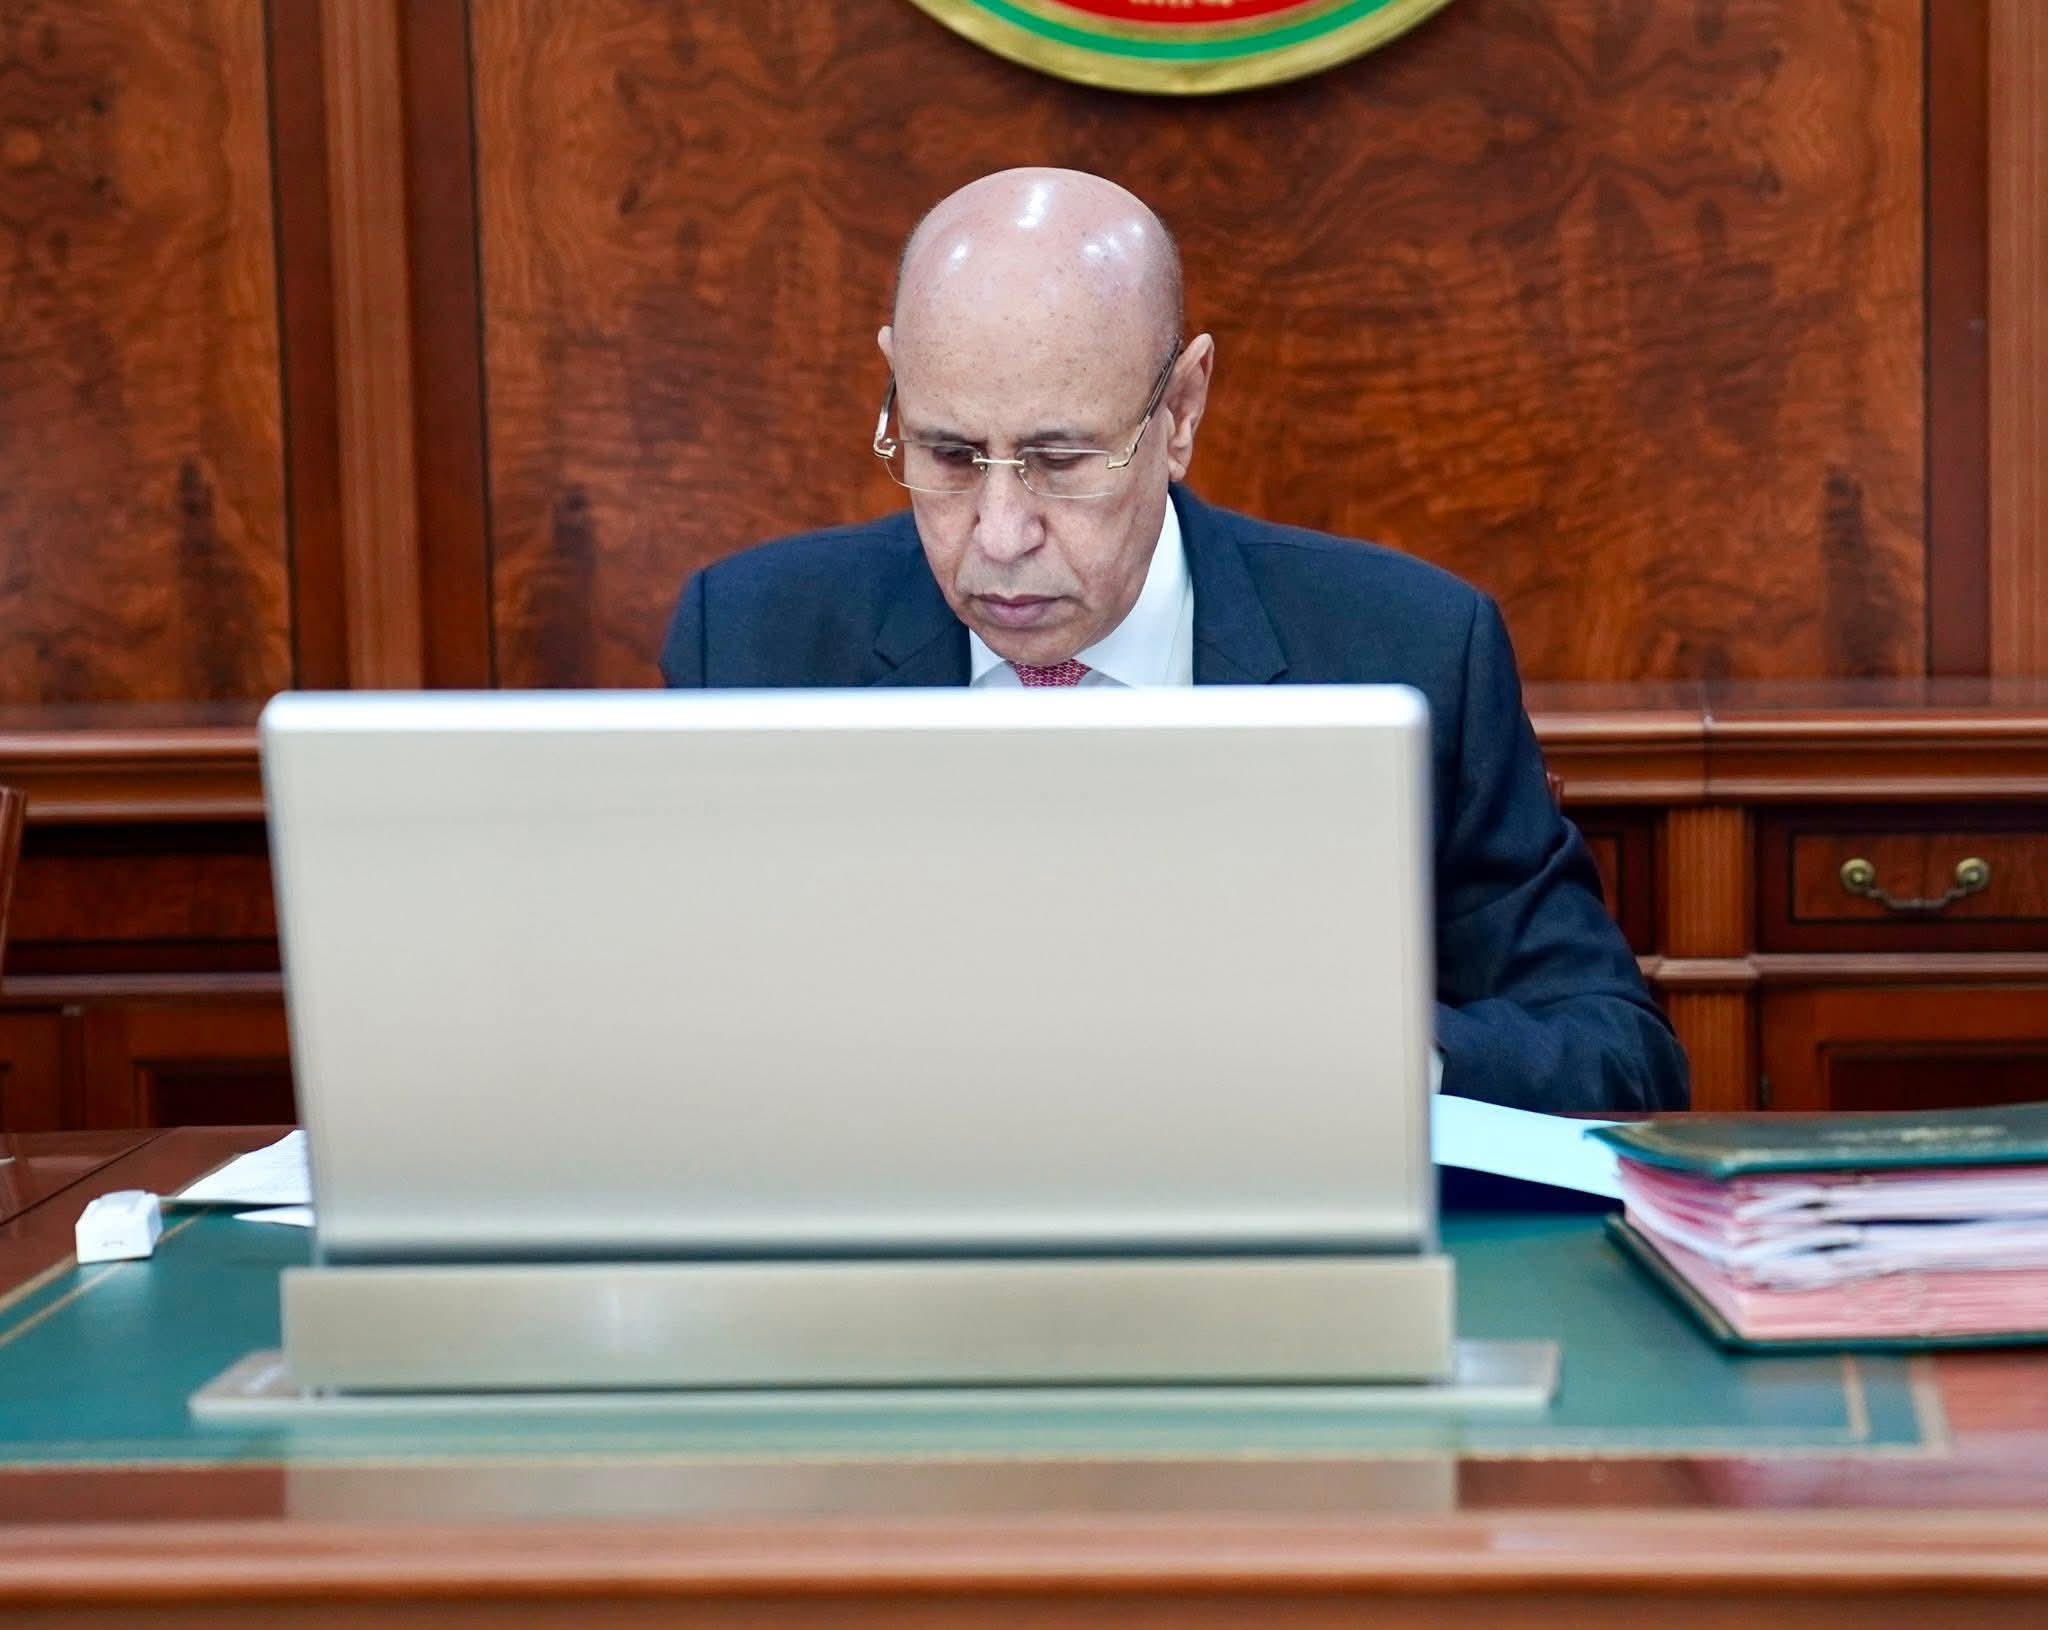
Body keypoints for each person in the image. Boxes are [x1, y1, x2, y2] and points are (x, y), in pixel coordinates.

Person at [661, 167, 1689, 1113]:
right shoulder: (749, 645)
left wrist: (1377, 1057)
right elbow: (658, 1050)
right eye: (950, 455)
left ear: (1182, 410)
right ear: (895, 383)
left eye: (1062, 461)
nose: (1000, 535)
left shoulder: (1408, 649)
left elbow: (1619, 1057)